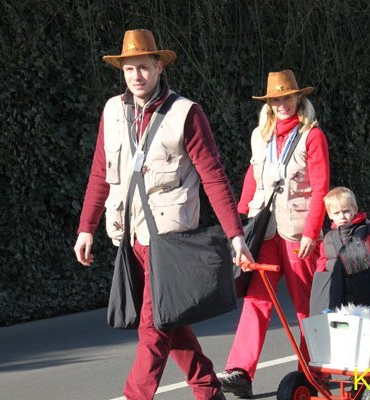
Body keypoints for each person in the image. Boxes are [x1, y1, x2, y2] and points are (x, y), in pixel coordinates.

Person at [73, 29, 251, 400]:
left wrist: (235, 236)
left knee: (153, 328)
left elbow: (213, 176)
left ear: (159, 67)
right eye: (129, 68)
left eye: (143, 67)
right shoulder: (112, 110)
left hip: (171, 239)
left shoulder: (186, 113)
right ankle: (208, 389)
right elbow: (100, 172)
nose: (136, 75)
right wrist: (86, 227)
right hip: (130, 235)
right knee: (170, 318)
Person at [218, 70, 330, 398]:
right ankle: (240, 371)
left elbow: (321, 186)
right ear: (268, 103)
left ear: (298, 98)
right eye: (275, 99)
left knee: (305, 305)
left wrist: (311, 232)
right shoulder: (260, 135)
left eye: (287, 97)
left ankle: (313, 370)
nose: (282, 104)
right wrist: (238, 225)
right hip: (264, 230)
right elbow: (252, 178)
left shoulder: (312, 135)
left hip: (298, 233)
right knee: (256, 300)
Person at [310, 187, 370, 316]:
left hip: (364, 294)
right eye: (336, 213)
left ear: (355, 209)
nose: (342, 216)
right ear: (330, 215)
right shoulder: (328, 239)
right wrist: (319, 296)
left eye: (346, 211)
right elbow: (322, 267)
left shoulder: (366, 234)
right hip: (338, 296)